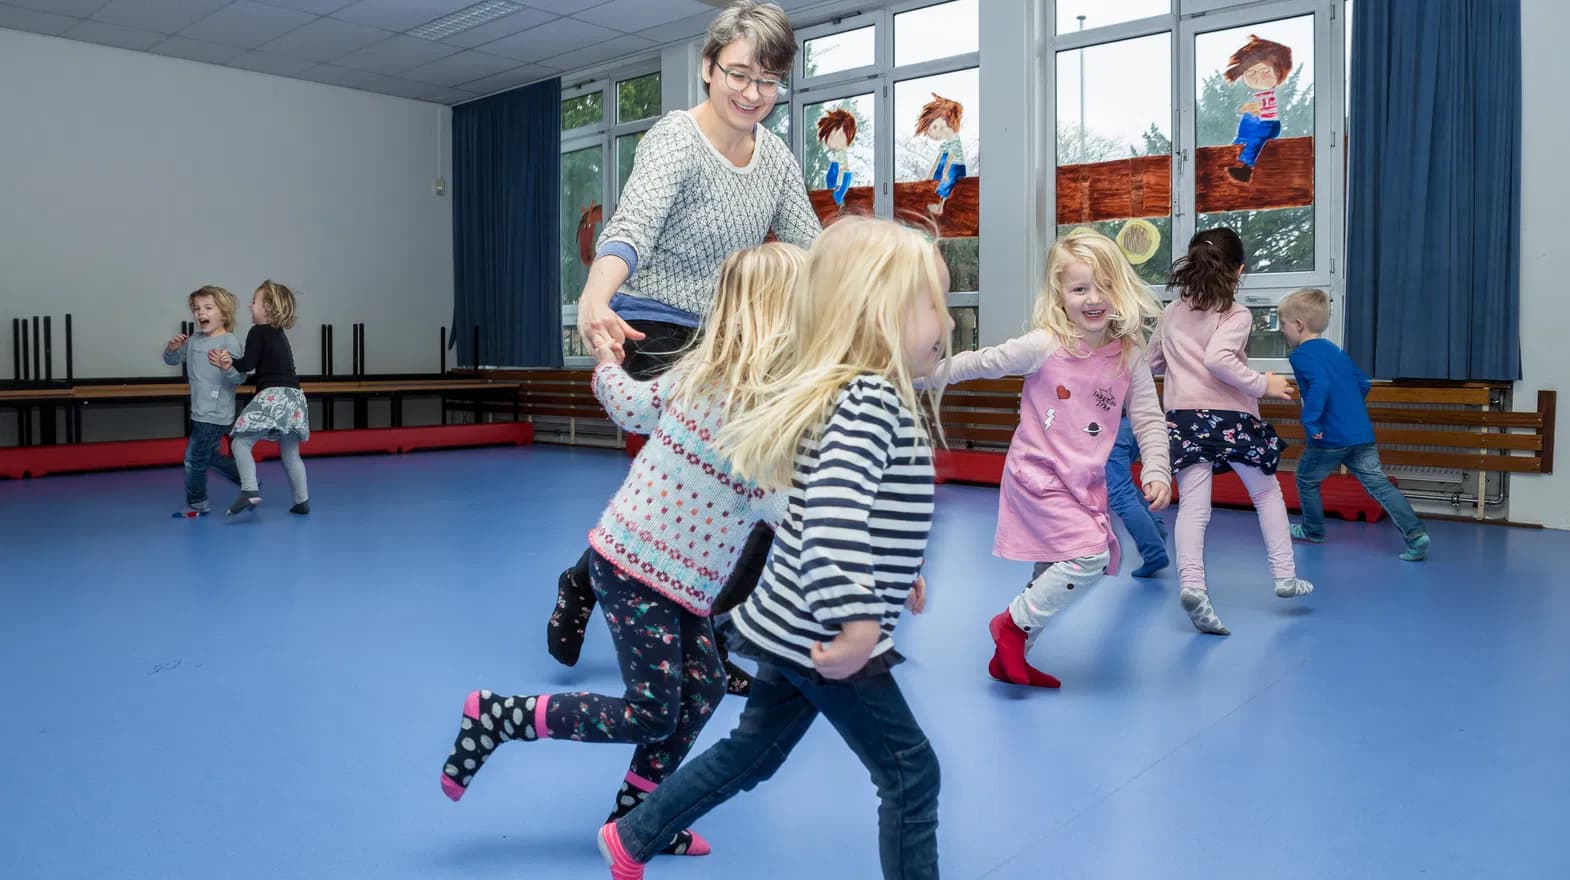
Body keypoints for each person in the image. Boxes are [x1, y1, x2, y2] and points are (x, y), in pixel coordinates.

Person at [598, 217, 950, 880]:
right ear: (874, 314)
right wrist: (859, 617)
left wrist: (900, 570)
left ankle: (634, 834)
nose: (948, 320)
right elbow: (832, 517)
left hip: (789, 620)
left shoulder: (852, 391)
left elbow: (848, 507)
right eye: (931, 302)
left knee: (754, 750)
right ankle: (636, 832)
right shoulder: (871, 399)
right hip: (825, 633)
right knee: (912, 773)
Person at [441, 243, 804, 858]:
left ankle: (638, 817)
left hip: (682, 581)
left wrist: (609, 363)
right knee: (652, 709)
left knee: (706, 686)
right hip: (635, 567)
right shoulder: (733, 394)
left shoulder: (735, 388)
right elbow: (782, 505)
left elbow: (630, 406)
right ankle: (500, 716)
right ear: (778, 318)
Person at [549, 1, 822, 697]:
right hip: (656, 327)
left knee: (742, 490)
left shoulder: (779, 159)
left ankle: (690, 621)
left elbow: (813, 251)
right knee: (709, 480)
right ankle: (602, 587)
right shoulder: (675, 139)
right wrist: (594, 296)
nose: (752, 93)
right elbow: (632, 227)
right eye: (739, 74)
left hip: (733, 341)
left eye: (768, 81)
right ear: (708, 69)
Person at [933, 232, 1169, 688]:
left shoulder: (1130, 354)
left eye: (1104, 286)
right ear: (1060, 295)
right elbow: (980, 362)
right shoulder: (1045, 344)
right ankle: (1011, 625)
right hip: (1037, 477)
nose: (1094, 299)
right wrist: (922, 374)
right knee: (1088, 557)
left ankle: (1010, 659)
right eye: (1080, 289)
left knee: (1050, 570)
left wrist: (1157, 468)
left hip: (1085, 483)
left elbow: (1148, 417)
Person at [1149, 228, 1313, 636]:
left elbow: (1152, 362)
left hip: (1184, 418)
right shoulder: (1235, 313)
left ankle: (1193, 586)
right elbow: (1220, 359)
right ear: (1239, 271)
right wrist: (1264, 384)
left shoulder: (1172, 312)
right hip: (1232, 417)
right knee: (1265, 492)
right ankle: (1285, 576)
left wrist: (1176, 365)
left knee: (1193, 507)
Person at [1278, 286, 1429, 560]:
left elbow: (1320, 385)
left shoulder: (1299, 355)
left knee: (1306, 478)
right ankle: (1416, 535)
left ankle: (1314, 530)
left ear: (1299, 325)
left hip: (1328, 438)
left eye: (1283, 324)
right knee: (1379, 484)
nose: (1281, 330)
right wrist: (1347, 409)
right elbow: (1361, 384)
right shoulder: (1335, 351)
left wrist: (1311, 421)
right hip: (1360, 434)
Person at [213, 281, 309, 516]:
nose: (249, 305)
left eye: (254, 301)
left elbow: (247, 364)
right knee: (290, 454)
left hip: (274, 395)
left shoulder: (258, 331)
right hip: (294, 397)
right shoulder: (279, 335)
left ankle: (249, 490)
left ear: (266, 307)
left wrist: (228, 361)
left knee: (240, 442)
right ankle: (302, 501)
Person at [163, 285, 244, 518]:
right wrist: (171, 349)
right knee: (207, 456)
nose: (201, 313)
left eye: (208, 308)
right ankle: (247, 480)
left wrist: (227, 367)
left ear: (224, 314)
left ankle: (197, 503)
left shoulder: (230, 343)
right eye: (197, 309)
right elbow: (171, 360)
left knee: (193, 458)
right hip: (199, 410)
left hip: (217, 413)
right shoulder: (194, 340)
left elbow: (239, 377)